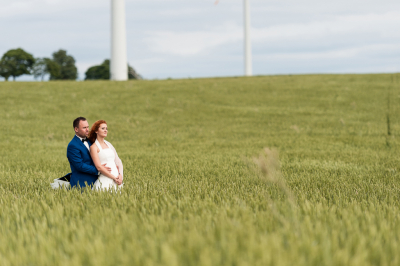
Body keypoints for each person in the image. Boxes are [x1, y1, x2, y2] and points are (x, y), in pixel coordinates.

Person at [66, 117, 111, 189]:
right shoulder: (72, 145)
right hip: (81, 183)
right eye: (84, 128)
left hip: (98, 181)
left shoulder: (91, 141)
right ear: (76, 129)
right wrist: (100, 170)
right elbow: (79, 165)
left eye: (88, 127)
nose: (87, 129)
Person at [88, 120, 123, 191]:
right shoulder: (93, 147)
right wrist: (113, 177)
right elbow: (99, 167)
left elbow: (118, 161)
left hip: (117, 179)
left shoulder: (109, 144)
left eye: (106, 129)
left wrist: (120, 175)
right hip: (105, 180)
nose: (105, 130)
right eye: (103, 128)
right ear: (96, 131)